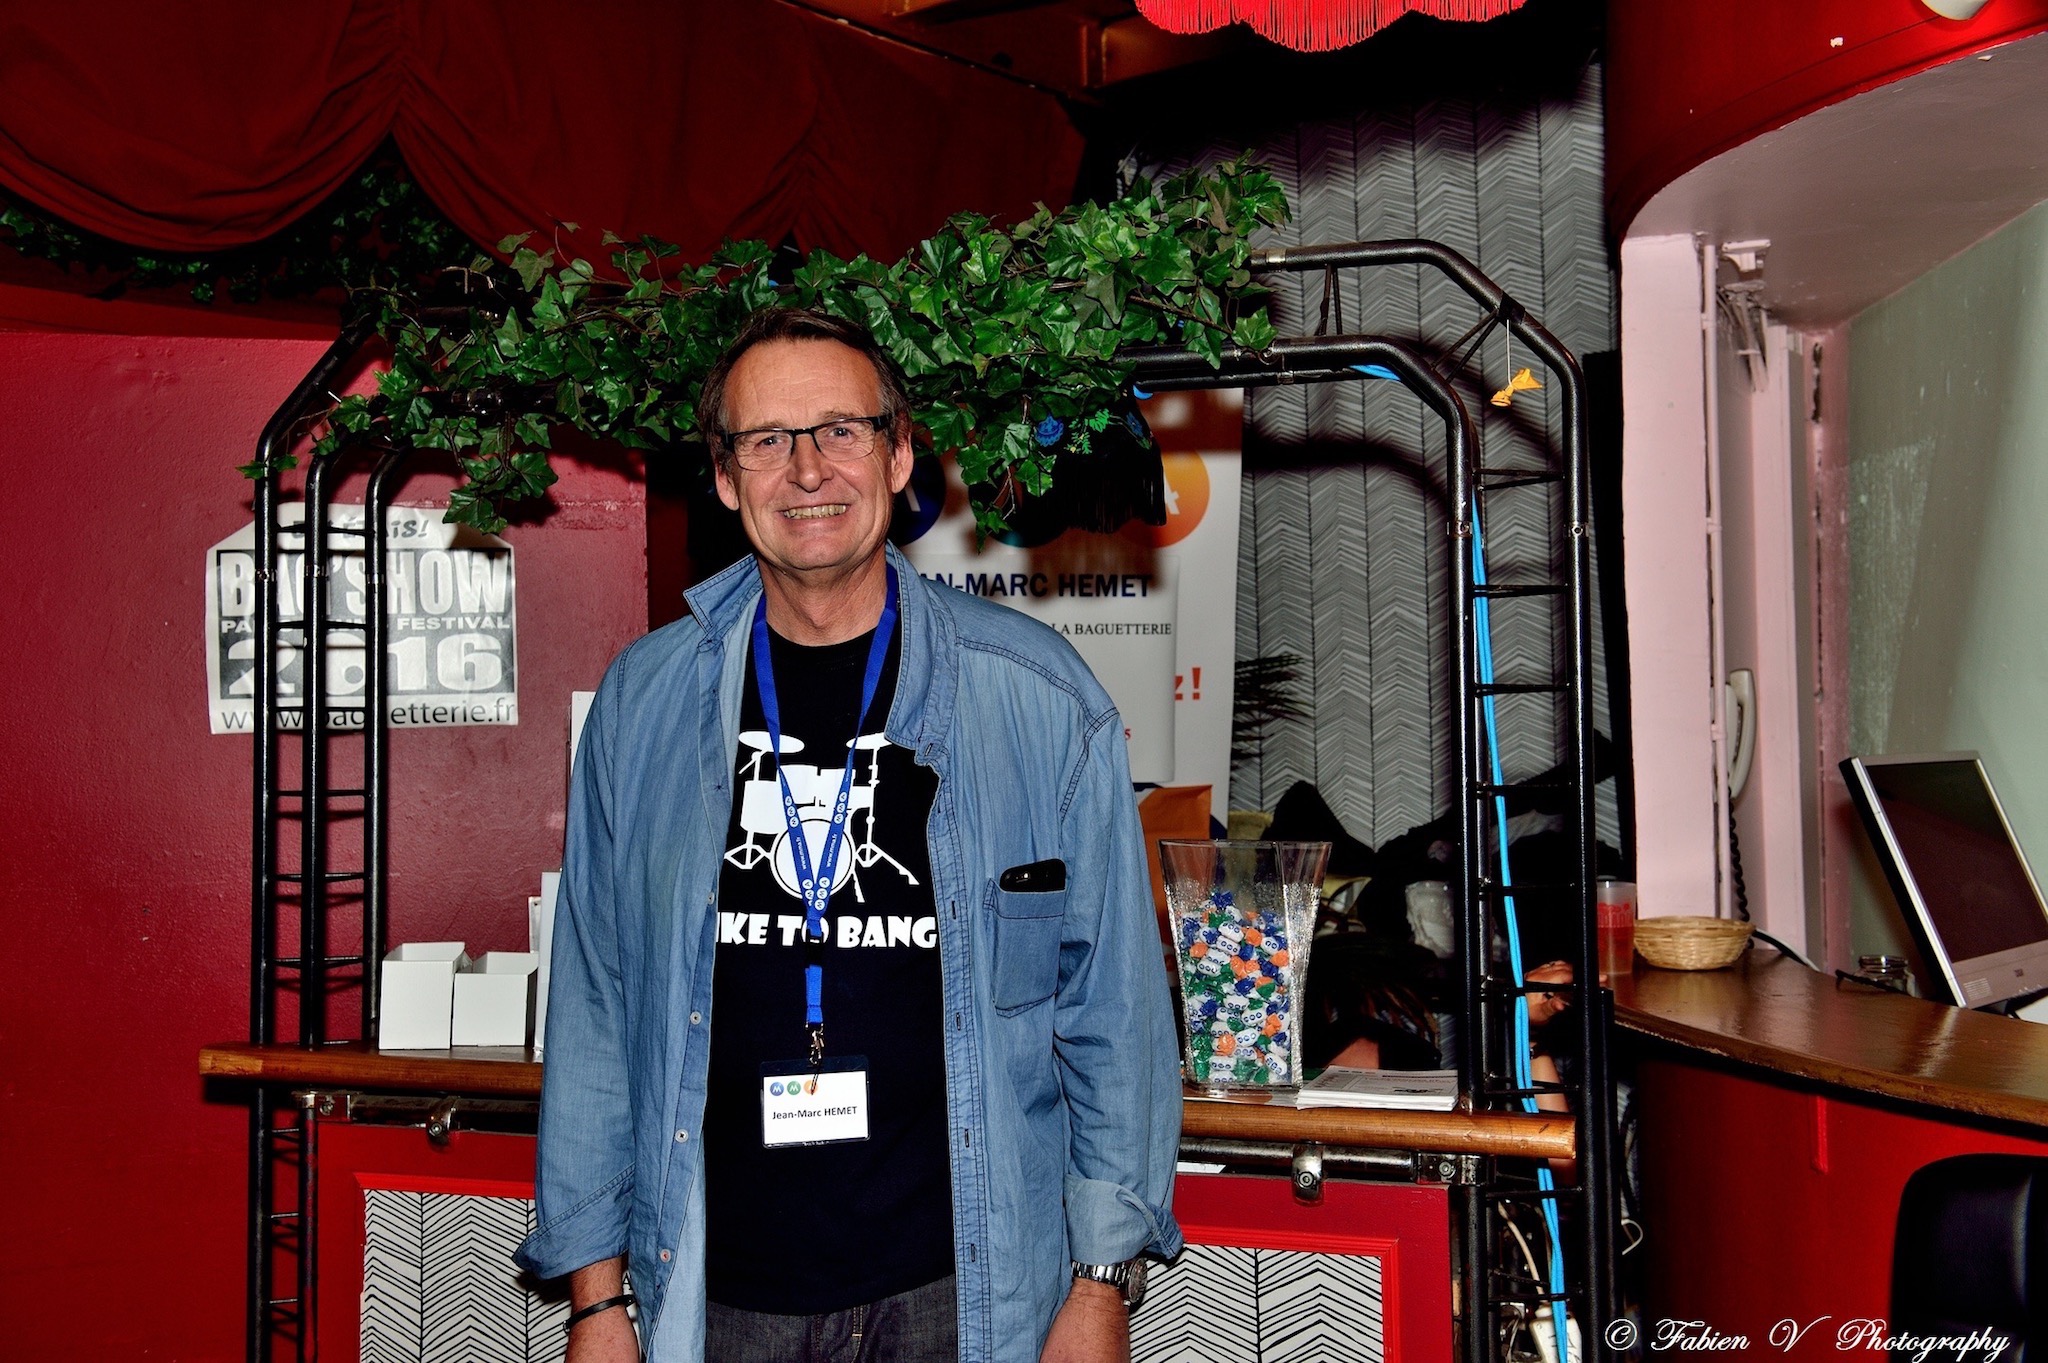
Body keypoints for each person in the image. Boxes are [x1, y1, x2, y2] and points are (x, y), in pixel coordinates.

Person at [515, 306, 1183, 1363]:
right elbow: (597, 1009)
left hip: (963, 1296)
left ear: (899, 454)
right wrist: (596, 1301)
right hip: (714, 1297)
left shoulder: (1039, 701)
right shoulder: (643, 705)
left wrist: (1101, 1283)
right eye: (765, 440)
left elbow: (1112, 1015)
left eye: (840, 430)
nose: (806, 469)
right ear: (724, 477)